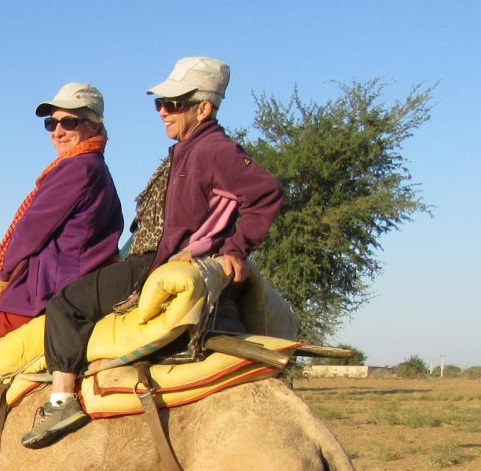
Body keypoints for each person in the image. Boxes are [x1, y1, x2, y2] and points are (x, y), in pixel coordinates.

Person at [21, 57, 284, 449]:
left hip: (157, 263)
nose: (163, 110)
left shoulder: (214, 150)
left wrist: (235, 249)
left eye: (174, 103)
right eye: (160, 103)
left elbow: (266, 192)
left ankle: (61, 400)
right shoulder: (188, 148)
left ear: (204, 108)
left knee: (65, 305)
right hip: (153, 256)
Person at [0, 82, 124, 469]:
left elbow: (28, 234)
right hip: (73, 281)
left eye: (70, 121)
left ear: (93, 124)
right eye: (52, 122)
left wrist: (6, 270)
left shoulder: (75, 170)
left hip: (42, 291)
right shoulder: (97, 169)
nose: (58, 130)